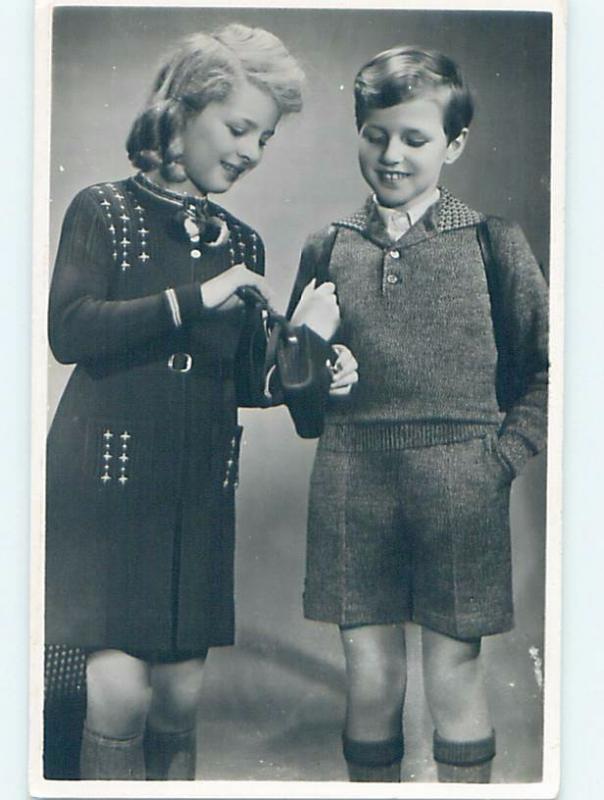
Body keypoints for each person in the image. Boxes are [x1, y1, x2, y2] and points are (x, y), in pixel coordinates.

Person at [45, 23, 355, 781]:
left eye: (265, 137)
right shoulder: (105, 210)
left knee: (180, 701)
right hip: (109, 481)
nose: (251, 150)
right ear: (181, 109)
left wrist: (317, 363)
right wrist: (196, 297)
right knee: (116, 694)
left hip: (197, 486)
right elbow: (69, 330)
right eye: (239, 126)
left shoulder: (242, 242)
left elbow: (249, 379)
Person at [286, 45, 548, 783]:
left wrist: (499, 458)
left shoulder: (493, 243)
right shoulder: (327, 247)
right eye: (375, 133)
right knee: (369, 678)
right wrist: (316, 368)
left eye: (414, 138)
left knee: (455, 675)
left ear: (454, 145)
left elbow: (554, 370)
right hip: (351, 479)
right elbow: (295, 393)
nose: (390, 154)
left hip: (461, 484)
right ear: (358, 131)